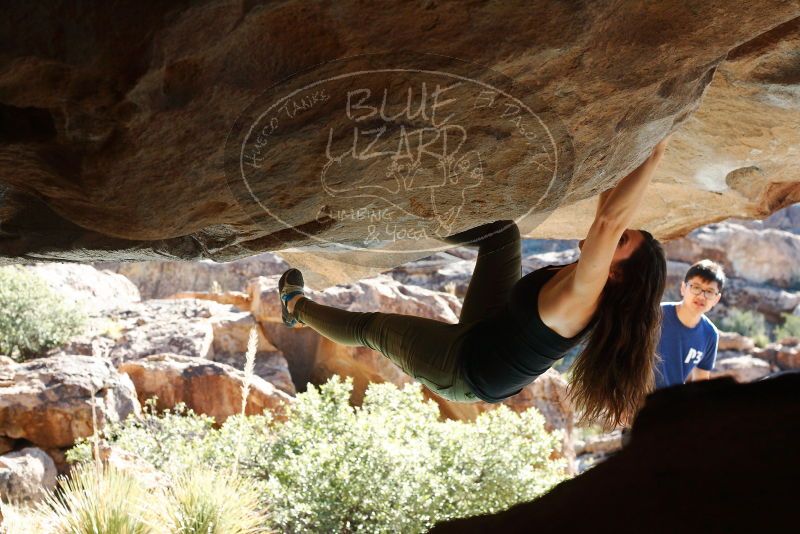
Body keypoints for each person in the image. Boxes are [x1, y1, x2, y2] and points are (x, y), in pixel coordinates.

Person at [279, 136, 671, 427]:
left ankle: (295, 307)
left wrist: (657, 153)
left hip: (465, 372)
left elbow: (609, 221)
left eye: (620, 242)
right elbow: (608, 204)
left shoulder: (584, 297)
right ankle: (401, 206)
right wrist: (632, 138)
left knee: (373, 328)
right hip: (491, 332)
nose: (610, 236)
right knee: (501, 237)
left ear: (615, 274)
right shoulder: (594, 277)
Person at [655, 260, 724, 389]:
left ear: (716, 299)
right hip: (633, 401)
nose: (702, 296)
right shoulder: (656, 314)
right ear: (683, 288)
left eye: (709, 291)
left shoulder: (710, 335)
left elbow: (701, 383)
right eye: (696, 287)